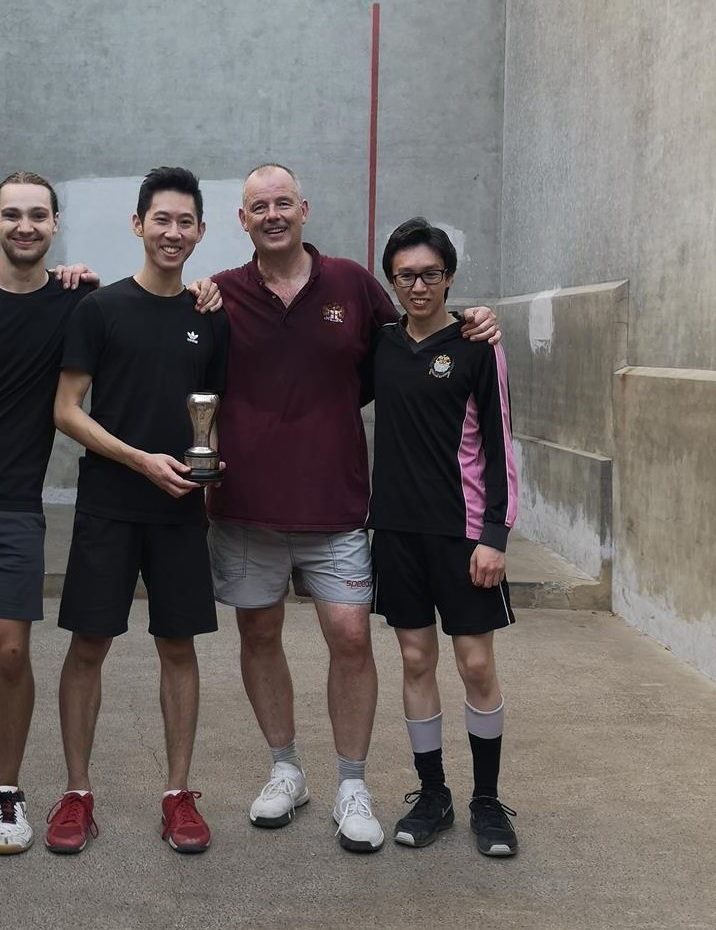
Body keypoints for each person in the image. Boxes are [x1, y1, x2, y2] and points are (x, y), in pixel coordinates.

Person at [0, 171, 219, 855]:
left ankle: (36, 792)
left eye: (38, 215)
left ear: (55, 223)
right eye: (13, 214)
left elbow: (207, 389)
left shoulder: (98, 304)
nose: (25, 226)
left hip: (30, 505)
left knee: (15, 651)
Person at [206, 164, 500, 852]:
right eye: (258, 206)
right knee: (257, 635)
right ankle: (285, 771)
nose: (272, 214)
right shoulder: (216, 294)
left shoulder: (352, 286)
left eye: (283, 203)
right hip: (244, 507)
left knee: (349, 635)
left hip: (336, 504)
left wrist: (474, 318)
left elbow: (416, 340)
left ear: (303, 210)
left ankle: (350, 782)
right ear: (242, 219)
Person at [46, 167, 228, 856]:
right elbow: (65, 410)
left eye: (185, 223)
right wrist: (139, 460)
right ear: (138, 224)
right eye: (161, 220)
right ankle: (76, 794)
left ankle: (178, 795)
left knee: (176, 647)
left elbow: (213, 413)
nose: (172, 233)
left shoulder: (209, 318)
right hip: (110, 505)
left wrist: (212, 462)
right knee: (88, 645)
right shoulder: (99, 310)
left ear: (200, 232)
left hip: (181, 509)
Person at [369, 217, 519, 857]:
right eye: (407, 276)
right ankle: (433, 795)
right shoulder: (378, 344)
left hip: (464, 537)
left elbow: (500, 442)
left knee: (476, 662)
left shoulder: (478, 346)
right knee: (414, 659)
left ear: (449, 277)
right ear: (392, 282)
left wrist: (495, 536)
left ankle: (488, 801)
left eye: (431, 274)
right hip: (397, 534)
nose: (420, 286)